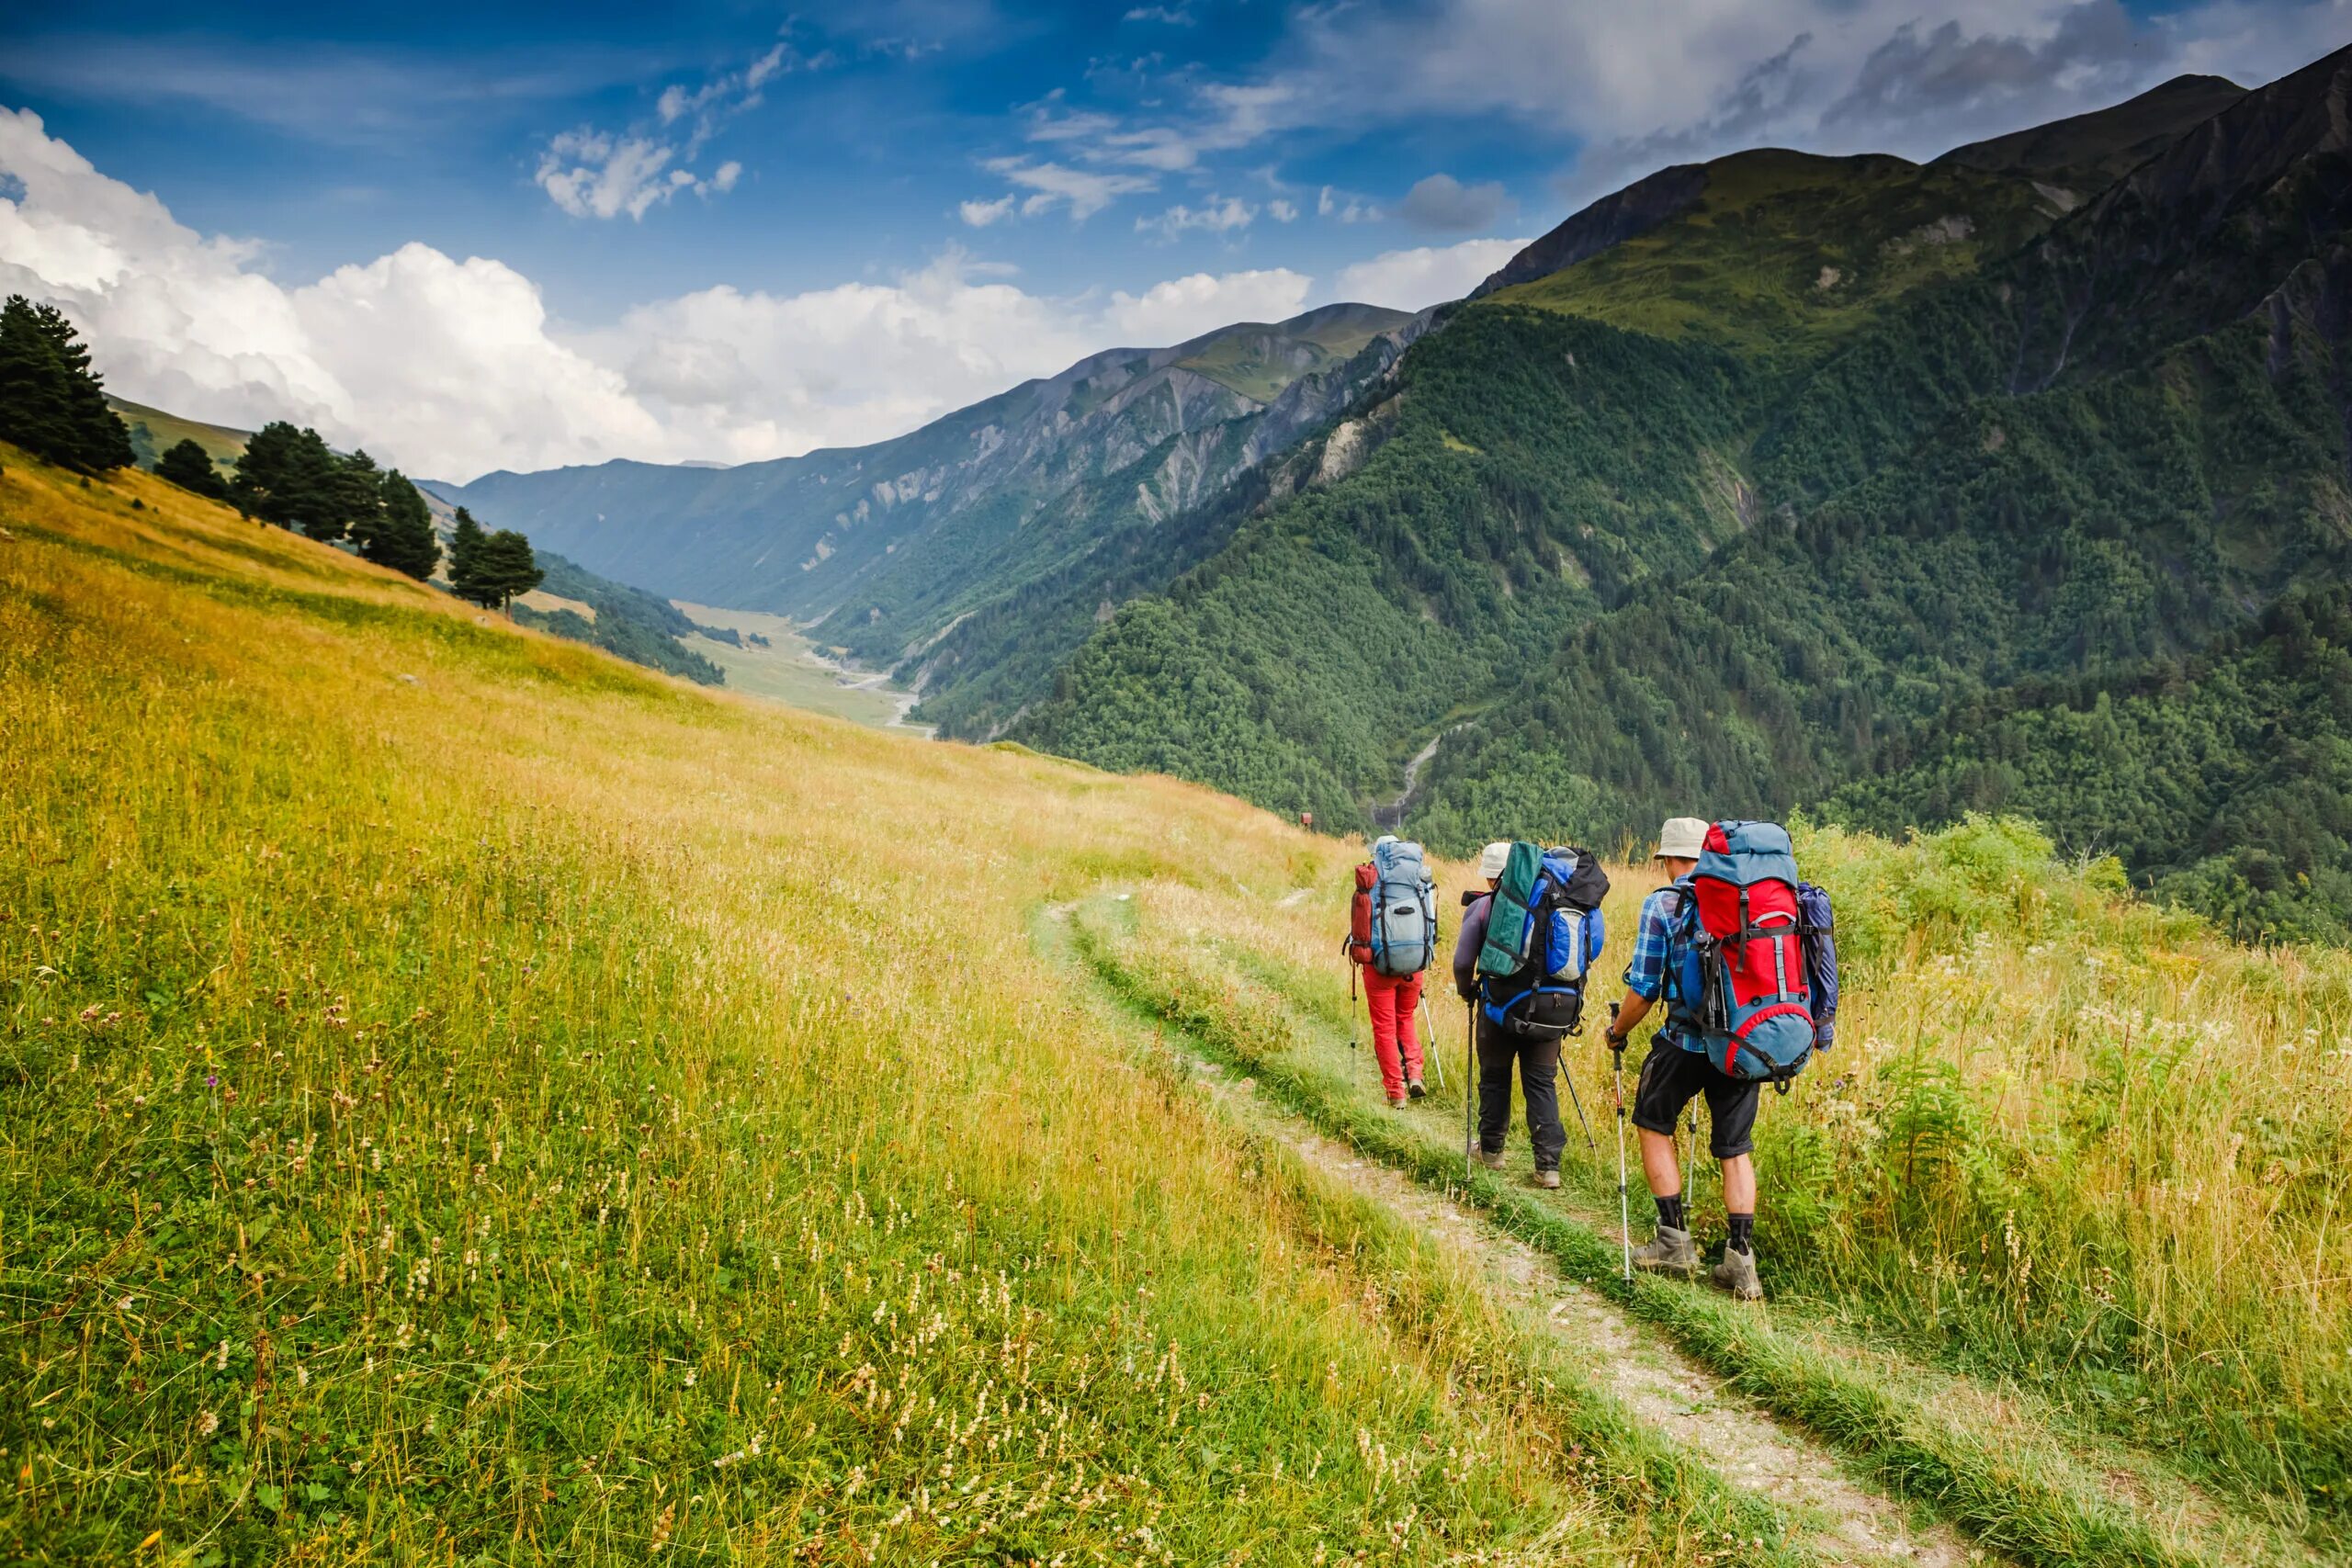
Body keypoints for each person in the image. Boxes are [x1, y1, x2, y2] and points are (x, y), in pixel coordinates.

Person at [1604, 816, 1762, 1299]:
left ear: (1670, 859)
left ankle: (1673, 1241)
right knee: (1735, 1148)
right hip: (1741, 1044)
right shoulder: (1747, 897)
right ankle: (1741, 1260)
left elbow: (1645, 989)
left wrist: (1616, 1031)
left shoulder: (1664, 903)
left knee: (1652, 1121)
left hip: (1685, 1041)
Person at [1453, 840, 1566, 1189]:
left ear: (1492, 876)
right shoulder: (1558, 905)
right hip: (1550, 1013)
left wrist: (1467, 990)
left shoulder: (1485, 906)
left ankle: (1491, 1151)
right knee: (1541, 1083)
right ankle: (1548, 1167)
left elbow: (1461, 962)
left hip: (1500, 1009)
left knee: (1495, 1078)